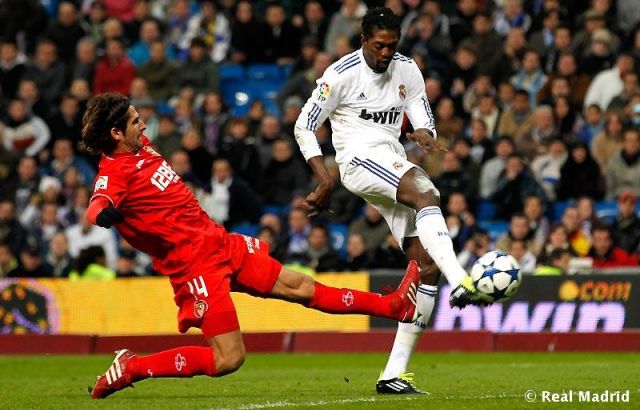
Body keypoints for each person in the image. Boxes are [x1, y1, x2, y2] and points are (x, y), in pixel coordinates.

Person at [82, 93, 420, 399]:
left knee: (301, 287)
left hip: (218, 243)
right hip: (194, 265)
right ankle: (132, 367)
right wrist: (104, 213)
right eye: (135, 121)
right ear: (116, 133)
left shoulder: (141, 147)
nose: (143, 125)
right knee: (229, 359)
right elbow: (97, 203)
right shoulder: (114, 171)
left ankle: (393, 306)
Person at [293, 7, 486, 395]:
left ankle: (393, 374)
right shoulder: (340, 74)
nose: (386, 53)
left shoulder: (407, 69)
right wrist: (324, 177)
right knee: (426, 191)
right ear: (363, 39)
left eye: (392, 46)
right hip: (357, 159)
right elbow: (304, 125)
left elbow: (423, 117)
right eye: (379, 45)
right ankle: (461, 279)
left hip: (390, 159)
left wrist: (425, 134)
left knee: (425, 265)